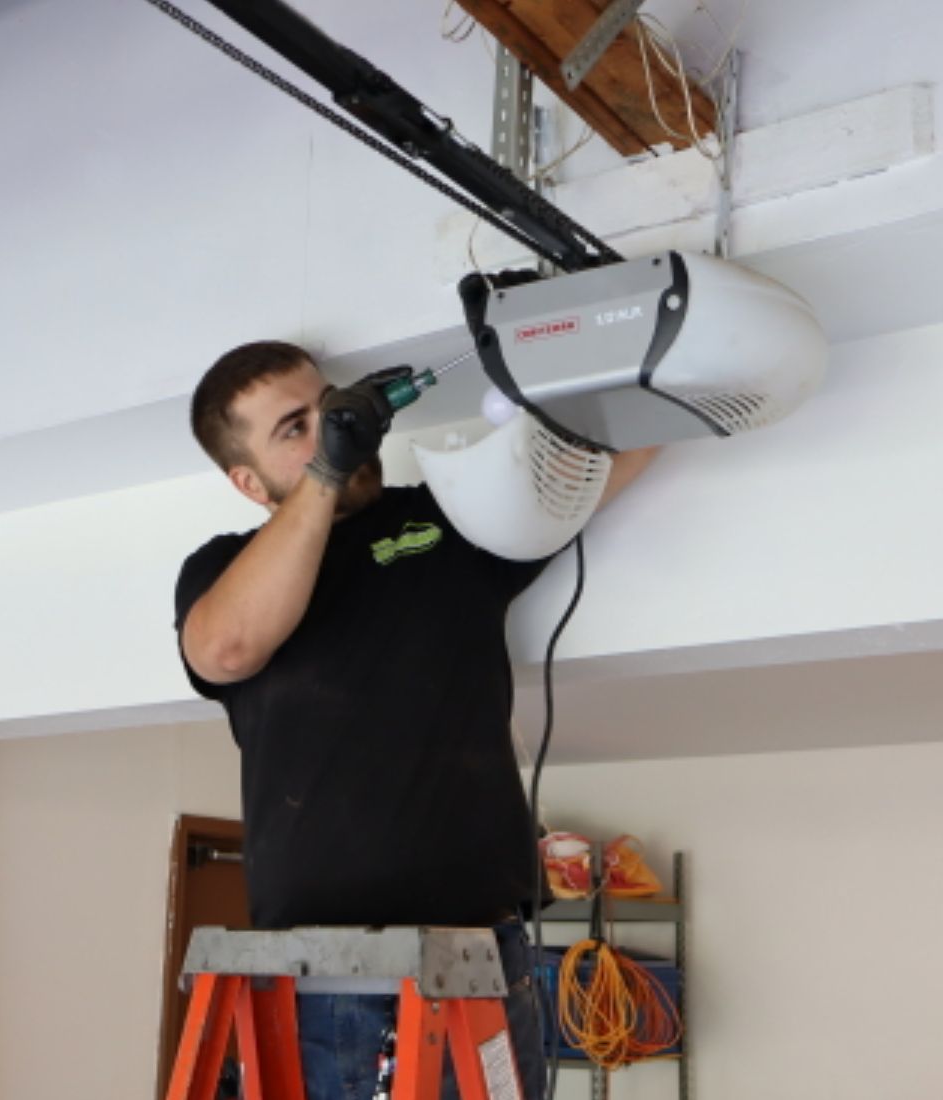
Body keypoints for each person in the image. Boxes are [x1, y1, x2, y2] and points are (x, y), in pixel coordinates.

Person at [173, 339, 655, 1099]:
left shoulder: (445, 519)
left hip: (484, 956)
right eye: (296, 428)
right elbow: (224, 648)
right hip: (328, 973)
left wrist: (648, 356)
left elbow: (610, 458)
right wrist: (328, 470)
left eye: (333, 408)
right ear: (248, 480)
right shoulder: (225, 568)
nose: (336, 430)